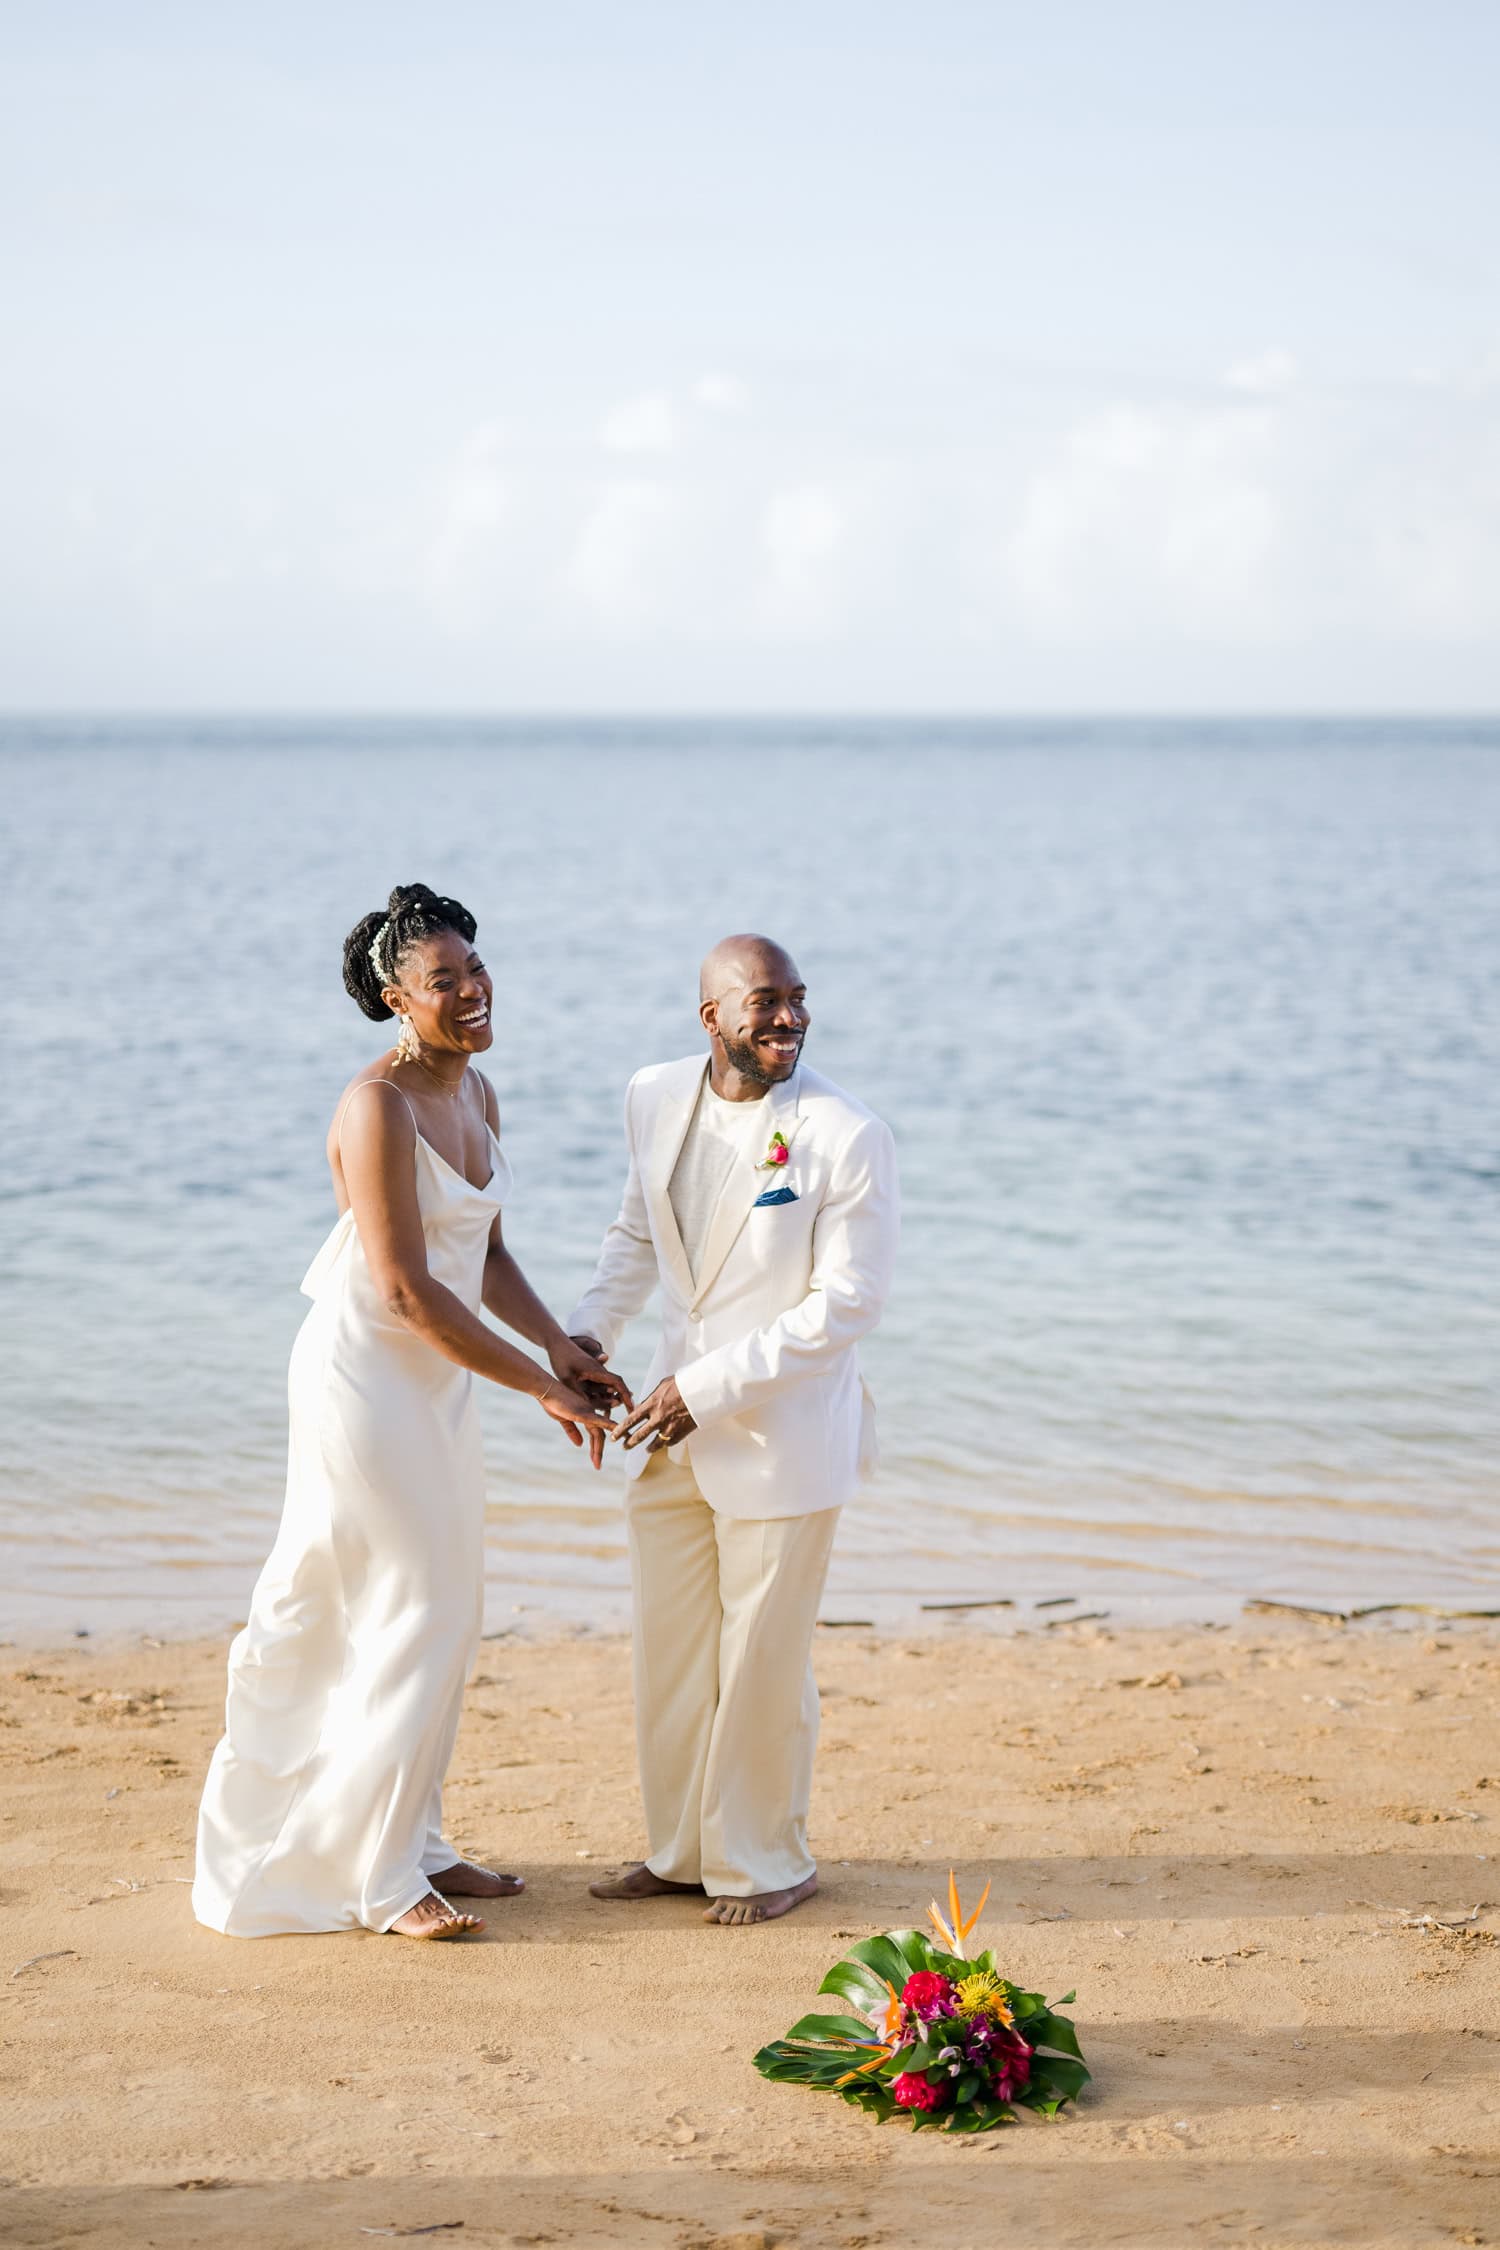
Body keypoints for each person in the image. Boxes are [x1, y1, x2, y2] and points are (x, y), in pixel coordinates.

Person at [193, 883, 627, 1942]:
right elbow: (402, 1286)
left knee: (447, 1606)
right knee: (407, 1612)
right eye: (446, 982)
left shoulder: (477, 1093)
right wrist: (535, 1386)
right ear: (397, 997)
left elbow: (482, 1252)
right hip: (365, 1382)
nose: (474, 992)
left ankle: (416, 1840)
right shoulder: (375, 1106)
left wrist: (557, 1345)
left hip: (437, 1379)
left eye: (477, 970)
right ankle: (380, 1880)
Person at [573, 935, 898, 1926]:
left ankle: (766, 1861)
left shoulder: (846, 1133)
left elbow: (846, 1305)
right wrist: (587, 1332)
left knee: (760, 1659)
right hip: (670, 1433)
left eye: (799, 999)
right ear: (710, 1015)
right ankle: (678, 1854)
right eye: (765, 1002)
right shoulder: (652, 1095)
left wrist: (702, 1388)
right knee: (670, 1653)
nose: (790, 1017)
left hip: (779, 1436)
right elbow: (638, 1232)